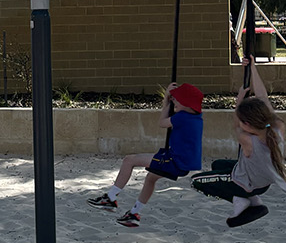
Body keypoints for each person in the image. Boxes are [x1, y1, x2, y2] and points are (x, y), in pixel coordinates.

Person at [87, 82, 204, 226]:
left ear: (187, 104)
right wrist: (171, 100)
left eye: (177, 100)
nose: (175, 103)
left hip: (173, 161)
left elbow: (162, 122)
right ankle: (134, 213)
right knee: (150, 178)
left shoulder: (182, 118)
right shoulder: (196, 118)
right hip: (181, 164)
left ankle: (110, 199)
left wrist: (166, 100)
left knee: (129, 160)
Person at [222, 59, 286, 227]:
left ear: (248, 124)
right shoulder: (276, 127)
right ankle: (254, 200)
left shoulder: (247, 140)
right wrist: (253, 67)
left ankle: (241, 202)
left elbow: (236, 124)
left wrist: (239, 98)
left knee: (200, 181)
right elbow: (262, 97)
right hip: (267, 180)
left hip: (251, 184)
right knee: (220, 164)